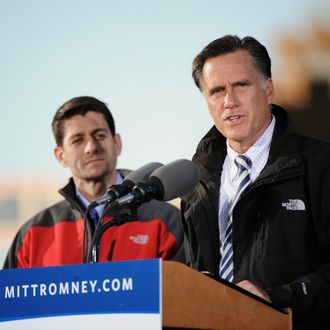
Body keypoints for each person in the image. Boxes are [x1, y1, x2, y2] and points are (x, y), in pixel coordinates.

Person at [181, 35, 330, 329]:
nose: (229, 101)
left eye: (241, 85)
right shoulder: (194, 183)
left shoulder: (320, 163)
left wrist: (277, 298)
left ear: (269, 89)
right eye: (217, 91)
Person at [4, 96, 184, 268]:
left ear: (117, 143)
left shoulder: (166, 221)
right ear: (61, 156)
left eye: (99, 135)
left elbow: (186, 294)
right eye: (78, 140)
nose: (91, 147)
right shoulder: (32, 235)